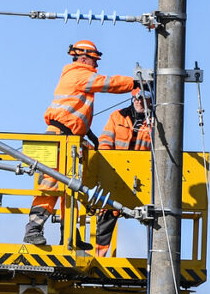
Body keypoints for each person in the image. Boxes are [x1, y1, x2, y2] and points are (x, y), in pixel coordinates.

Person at [24, 40, 139, 247]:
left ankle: (70, 236)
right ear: (84, 57)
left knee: (70, 188)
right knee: (50, 185)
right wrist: (135, 83)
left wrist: (90, 137)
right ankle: (33, 230)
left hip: (69, 140)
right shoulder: (78, 74)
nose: (96, 66)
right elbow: (107, 83)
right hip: (58, 139)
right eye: (94, 61)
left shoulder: (76, 76)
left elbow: (74, 115)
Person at [93, 90, 152, 257]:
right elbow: (105, 143)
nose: (139, 102)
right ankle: (99, 256)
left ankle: (156, 259)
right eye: (137, 98)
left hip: (141, 179)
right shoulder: (117, 117)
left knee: (153, 216)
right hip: (116, 175)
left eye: (143, 99)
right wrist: (108, 165)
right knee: (106, 214)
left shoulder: (156, 122)